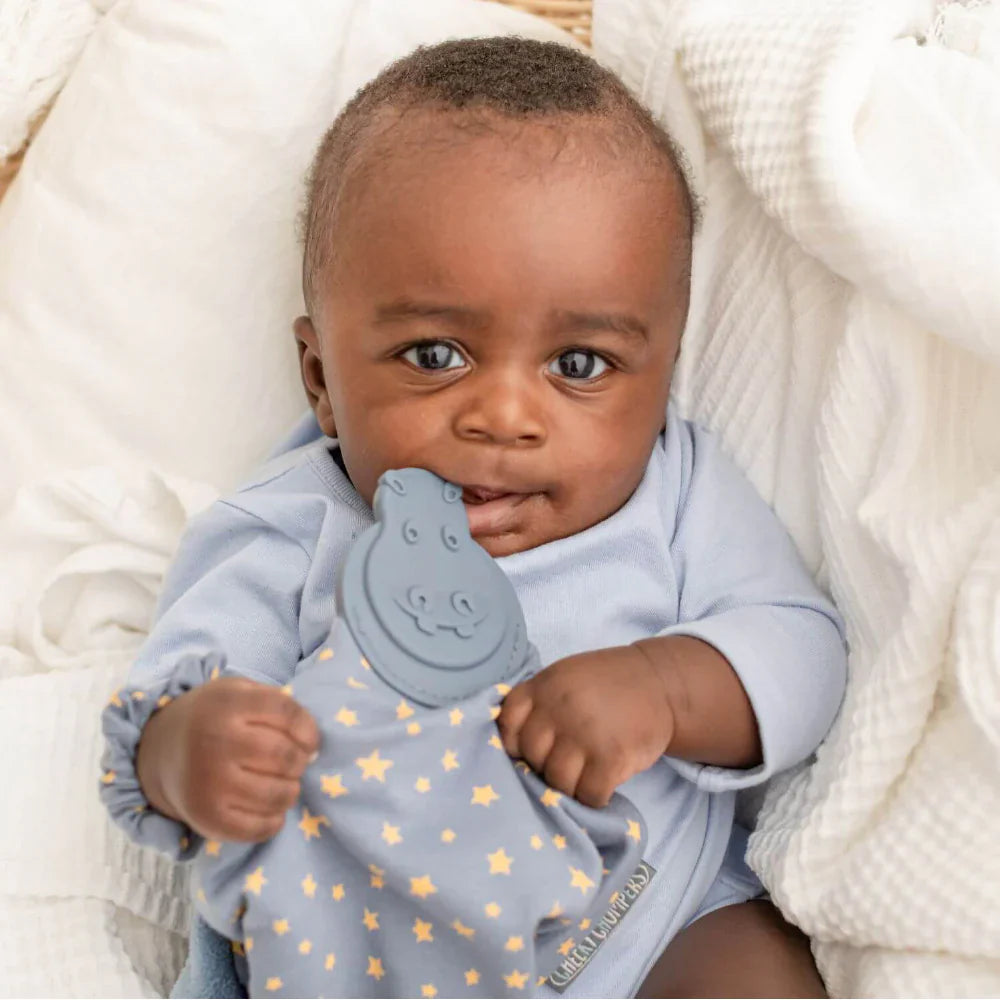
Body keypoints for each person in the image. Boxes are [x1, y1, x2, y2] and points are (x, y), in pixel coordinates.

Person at [100, 36, 847, 998]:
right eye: (434, 355)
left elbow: (805, 652)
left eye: (578, 365)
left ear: (661, 377)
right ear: (322, 379)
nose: (503, 416)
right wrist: (189, 751)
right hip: (362, 962)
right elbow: (161, 710)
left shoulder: (675, 489)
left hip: (649, 925)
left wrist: (665, 688)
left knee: (755, 968)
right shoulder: (290, 529)